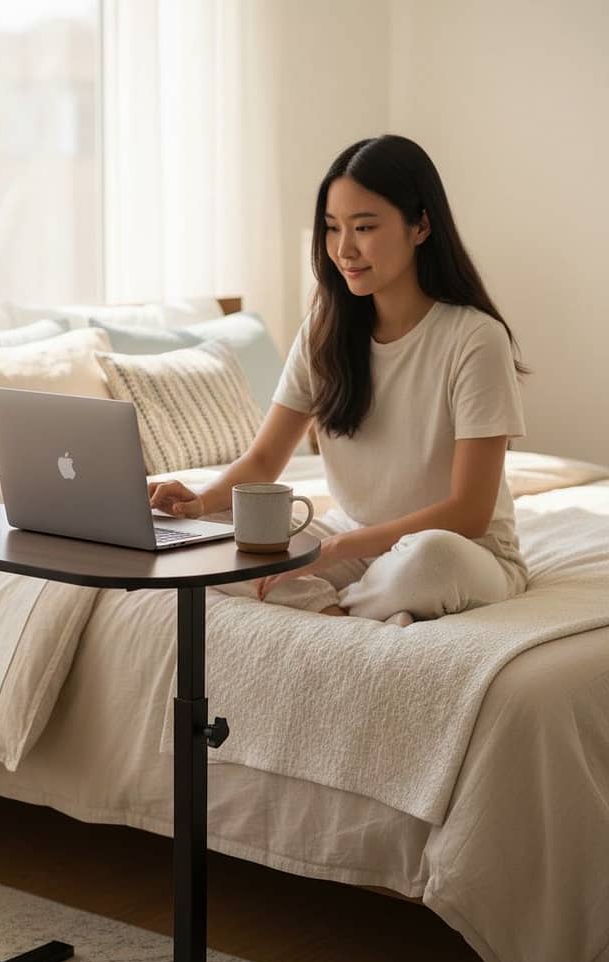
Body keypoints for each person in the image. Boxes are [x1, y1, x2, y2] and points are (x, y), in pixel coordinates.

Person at [148, 133, 531, 626]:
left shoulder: (475, 338)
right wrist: (199, 504)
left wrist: (334, 549)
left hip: (462, 552)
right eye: (332, 229)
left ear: (421, 226)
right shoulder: (324, 331)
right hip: (355, 544)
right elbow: (265, 459)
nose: (344, 249)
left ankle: (328, 607)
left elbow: (469, 512)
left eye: (365, 227)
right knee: (214, 539)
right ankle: (341, 611)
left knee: (431, 562)